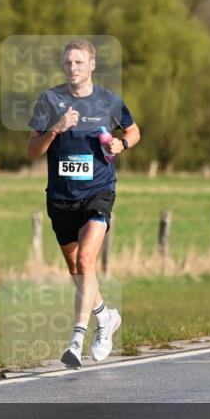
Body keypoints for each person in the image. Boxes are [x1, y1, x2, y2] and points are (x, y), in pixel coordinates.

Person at [26, 39, 140, 368]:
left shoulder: (108, 100)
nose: (73, 68)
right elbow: (32, 150)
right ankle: (107, 318)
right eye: (68, 63)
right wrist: (55, 131)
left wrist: (121, 145)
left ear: (91, 65)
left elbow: (134, 131)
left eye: (79, 62)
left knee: (87, 260)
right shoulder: (50, 101)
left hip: (98, 191)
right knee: (76, 267)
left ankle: (78, 338)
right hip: (61, 197)